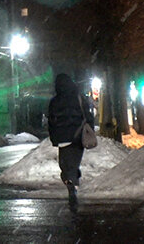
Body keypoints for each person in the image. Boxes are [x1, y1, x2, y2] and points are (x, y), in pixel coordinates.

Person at [48, 73, 95, 210]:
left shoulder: (54, 101)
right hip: (77, 135)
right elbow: (87, 115)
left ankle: (69, 182)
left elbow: (51, 121)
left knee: (64, 164)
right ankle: (73, 183)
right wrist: (90, 130)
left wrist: (54, 137)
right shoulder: (78, 98)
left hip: (62, 137)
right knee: (74, 162)